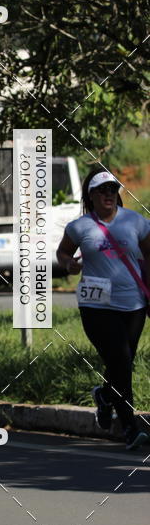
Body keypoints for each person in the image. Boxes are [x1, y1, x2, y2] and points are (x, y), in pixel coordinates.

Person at [56, 168, 150, 450]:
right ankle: (130, 428)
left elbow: (148, 255)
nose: (109, 194)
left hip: (133, 303)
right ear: (91, 195)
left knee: (123, 362)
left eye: (113, 189)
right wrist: (68, 264)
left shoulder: (135, 222)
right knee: (120, 359)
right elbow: (63, 252)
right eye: (103, 190)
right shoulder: (80, 227)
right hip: (95, 304)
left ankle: (105, 394)